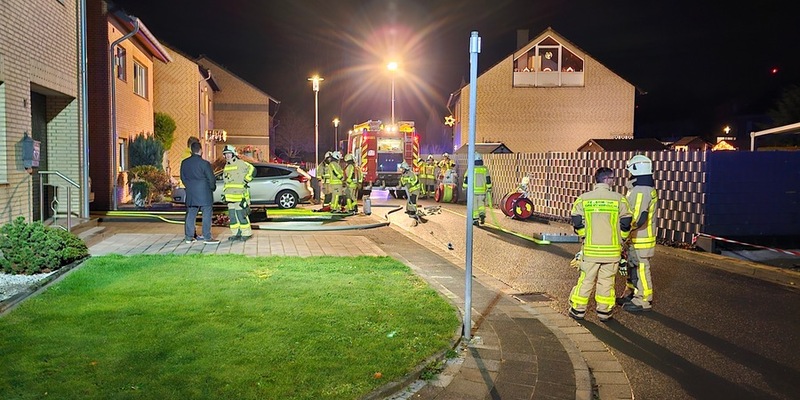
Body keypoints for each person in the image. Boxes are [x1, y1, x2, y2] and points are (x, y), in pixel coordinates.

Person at [568, 167, 632, 322]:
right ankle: (604, 312)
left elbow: (576, 221)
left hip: (590, 250)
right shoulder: (620, 199)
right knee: (607, 282)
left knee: (586, 280)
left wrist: (584, 236)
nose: (614, 181)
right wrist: (621, 240)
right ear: (608, 179)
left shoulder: (583, 199)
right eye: (613, 178)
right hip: (611, 252)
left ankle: (578, 310)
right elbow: (626, 222)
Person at [618, 155, 658, 312]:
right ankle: (633, 293)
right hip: (635, 237)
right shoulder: (639, 188)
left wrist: (623, 228)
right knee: (632, 267)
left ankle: (644, 299)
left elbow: (638, 217)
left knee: (641, 268)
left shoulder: (641, 190)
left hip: (641, 238)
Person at [180, 141, 219, 244]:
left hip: (191, 193)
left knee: (191, 214)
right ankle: (207, 237)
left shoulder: (184, 163)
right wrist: (212, 187)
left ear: (191, 150)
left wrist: (189, 187)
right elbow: (211, 179)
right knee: (206, 214)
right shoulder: (204, 164)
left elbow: (183, 177)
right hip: (204, 193)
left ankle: (189, 237)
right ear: (201, 150)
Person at [221, 145, 255, 241]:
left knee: (241, 215)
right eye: (225, 154)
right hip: (229, 196)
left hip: (240, 196)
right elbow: (226, 181)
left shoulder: (241, 163)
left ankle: (246, 233)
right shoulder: (226, 166)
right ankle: (236, 234)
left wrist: (246, 180)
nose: (227, 156)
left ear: (233, 154)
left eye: (229, 153)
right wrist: (224, 194)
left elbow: (252, 169)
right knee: (233, 217)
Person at [462, 153, 492, 225]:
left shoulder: (471, 168)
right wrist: (489, 188)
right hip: (482, 191)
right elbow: (488, 179)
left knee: (474, 205)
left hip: (473, 191)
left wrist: (464, 187)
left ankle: (475, 219)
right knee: (481, 204)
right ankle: (482, 214)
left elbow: (466, 178)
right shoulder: (485, 169)